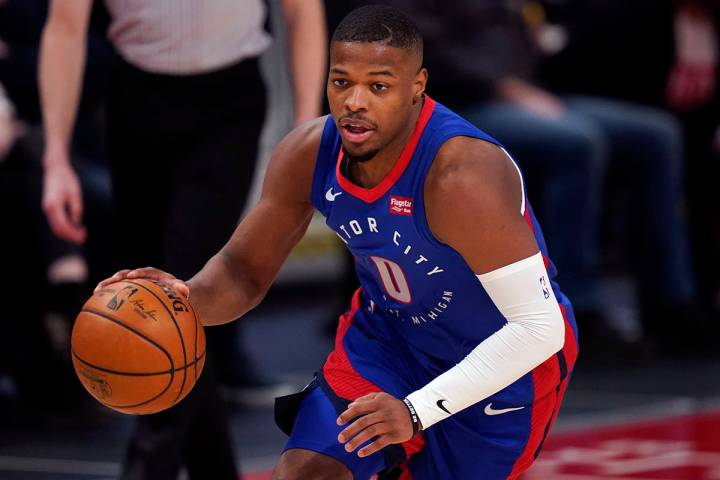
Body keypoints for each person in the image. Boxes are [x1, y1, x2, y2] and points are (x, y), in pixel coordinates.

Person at [97, 6, 578, 479]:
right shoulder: (309, 151)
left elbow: (539, 327)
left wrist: (414, 412)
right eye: (342, 81)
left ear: (417, 87)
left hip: (499, 362)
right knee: (307, 473)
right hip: (388, 343)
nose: (354, 102)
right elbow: (242, 273)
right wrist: (182, 300)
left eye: (379, 86)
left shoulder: (461, 175)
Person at [39, 0, 326, 478]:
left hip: (228, 103)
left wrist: (306, 129)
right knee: (153, 301)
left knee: (181, 292)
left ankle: (148, 463)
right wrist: (55, 159)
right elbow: (64, 29)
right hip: (135, 100)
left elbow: (304, 13)